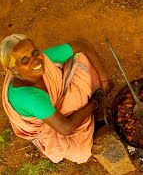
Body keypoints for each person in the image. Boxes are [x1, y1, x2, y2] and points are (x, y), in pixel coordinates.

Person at [0, 34, 114, 164]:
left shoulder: (45, 59)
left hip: (55, 101)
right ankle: (87, 112)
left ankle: (83, 113)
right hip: (48, 124)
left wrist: (103, 77)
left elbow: (82, 44)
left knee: (82, 58)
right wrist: (93, 105)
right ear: (13, 69)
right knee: (80, 153)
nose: (35, 60)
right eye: (24, 60)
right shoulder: (29, 97)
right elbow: (66, 128)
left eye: (35, 52)